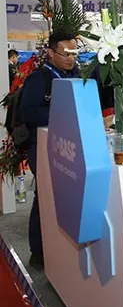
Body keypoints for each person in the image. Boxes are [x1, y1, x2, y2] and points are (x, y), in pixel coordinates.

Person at [19, 31, 79, 268]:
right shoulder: (39, 79)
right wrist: (61, 113)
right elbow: (28, 112)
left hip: (67, 146)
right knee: (43, 194)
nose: (71, 58)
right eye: (65, 54)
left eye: (74, 53)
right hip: (41, 145)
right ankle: (38, 250)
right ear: (51, 53)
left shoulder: (75, 75)